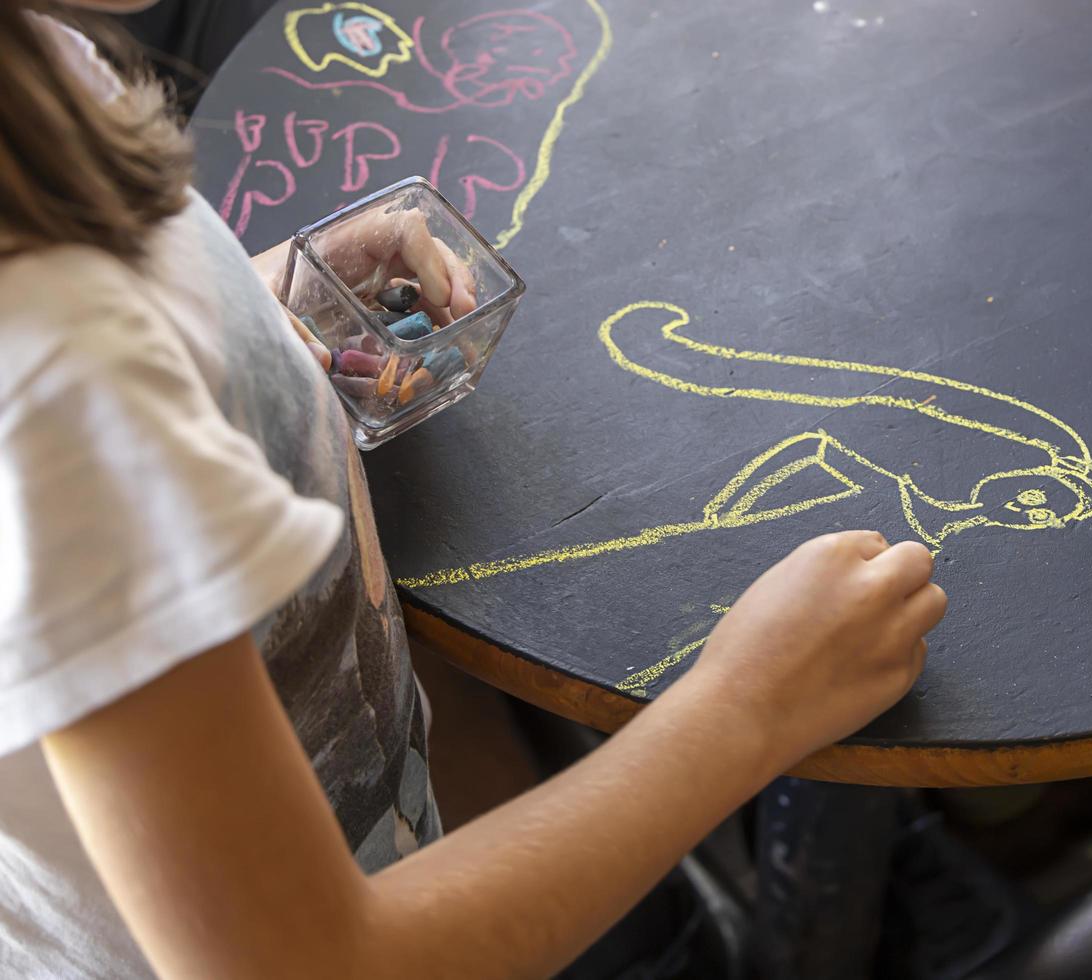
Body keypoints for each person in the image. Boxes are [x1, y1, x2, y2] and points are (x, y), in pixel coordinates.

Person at [0, 2, 948, 977]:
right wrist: (748, 706)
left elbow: (128, 344)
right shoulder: (59, 396)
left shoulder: (38, 65)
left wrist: (260, 306)